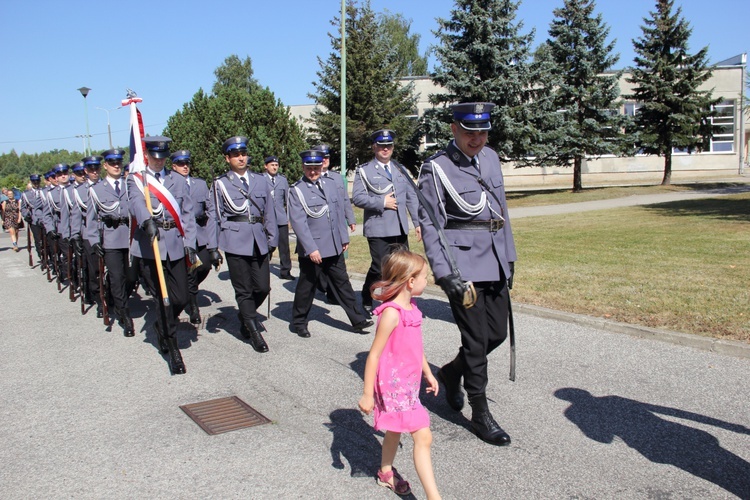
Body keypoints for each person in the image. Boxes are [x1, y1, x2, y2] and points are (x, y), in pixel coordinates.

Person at [417, 102, 516, 446]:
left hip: (494, 261)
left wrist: (510, 257)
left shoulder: (491, 158)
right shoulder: (436, 169)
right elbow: (430, 224)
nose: (478, 138)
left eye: (483, 131)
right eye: (470, 131)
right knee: (476, 343)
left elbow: (501, 212)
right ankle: (480, 413)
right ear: (454, 128)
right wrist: (445, 274)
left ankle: (451, 372)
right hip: (463, 268)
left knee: (496, 335)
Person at [358, 248, 441, 500]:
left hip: (409, 383)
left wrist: (428, 372)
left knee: (394, 429)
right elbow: (374, 355)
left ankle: (385, 472)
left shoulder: (412, 309)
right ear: (411, 281)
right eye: (425, 277)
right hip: (393, 386)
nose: (429, 281)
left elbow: (416, 347)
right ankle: (434, 497)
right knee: (423, 436)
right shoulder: (392, 314)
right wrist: (366, 394)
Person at [128, 136, 197, 374]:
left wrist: (190, 243)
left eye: (163, 158)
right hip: (151, 246)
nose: (159, 162)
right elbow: (136, 202)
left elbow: (187, 213)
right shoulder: (137, 179)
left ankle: (161, 323)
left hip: (176, 244)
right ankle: (172, 345)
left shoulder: (176, 180)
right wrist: (147, 221)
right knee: (163, 297)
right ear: (147, 156)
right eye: (155, 158)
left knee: (181, 297)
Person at [288, 149, 373, 338]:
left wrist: (343, 238)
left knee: (343, 283)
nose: (313, 172)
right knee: (307, 287)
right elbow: (299, 224)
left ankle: (357, 319)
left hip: (334, 245)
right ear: (303, 167)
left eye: (316, 168)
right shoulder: (297, 191)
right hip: (314, 250)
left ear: (321, 166)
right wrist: (311, 249)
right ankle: (299, 321)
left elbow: (338, 212)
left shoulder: (330, 184)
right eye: (309, 168)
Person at [213, 136, 277, 353]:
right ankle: (253, 330)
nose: (240, 158)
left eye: (243, 154)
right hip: (234, 239)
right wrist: (214, 247)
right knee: (243, 289)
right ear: (227, 158)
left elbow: (269, 212)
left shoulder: (261, 180)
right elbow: (216, 215)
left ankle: (244, 315)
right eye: (235, 155)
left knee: (262, 287)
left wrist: (272, 238)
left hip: (258, 238)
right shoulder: (220, 183)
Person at [352, 129, 420, 314]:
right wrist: (382, 202)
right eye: (381, 146)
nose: (385, 149)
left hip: (399, 227)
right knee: (378, 268)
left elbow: (411, 197)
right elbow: (357, 198)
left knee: (401, 267)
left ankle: (395, 300)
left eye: (388, 145)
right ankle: (367, 296)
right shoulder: (364, 170)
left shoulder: (400, 169)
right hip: (378, 227)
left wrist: (417, 222)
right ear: (374, 147)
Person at [86, 149, 136, 336]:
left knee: (131, 277)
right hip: (110, 239)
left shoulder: (130, 186)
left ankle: (117, 298)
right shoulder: (96, 190)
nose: (116, 166)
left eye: (119, 162)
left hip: (130, 238)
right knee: (117, 277)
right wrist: (94, 240)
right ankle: (124, 314)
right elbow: (90, 220)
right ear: (105, 166)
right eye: (112, 163)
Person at [169, 149, 221, 324]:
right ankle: (193, 307)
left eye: (187, 163)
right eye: (181, 164)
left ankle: (187, 290)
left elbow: (209, 207)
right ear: (173, 166)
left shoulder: (199, 184)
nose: (185, 167)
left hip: (200, 231)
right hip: (180, 234)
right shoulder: (169, 184)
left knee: (204, 266)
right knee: (190, 272)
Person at [313, 144, 355, 304]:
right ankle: (321, 284)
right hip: (320, 226)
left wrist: (350, 219)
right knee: (322, 262)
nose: (324, 160)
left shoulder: (337, 177)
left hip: (336, 226)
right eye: (321, 157)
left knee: (336, 260)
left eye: (327, 157)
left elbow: (345, 200)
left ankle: (332, 293)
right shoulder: (313, 176)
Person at [263, 155, 294, 280]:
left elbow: (288, 200)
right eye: (272, 165)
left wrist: (288, 218)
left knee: (284, 247)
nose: (275, 167)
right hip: (266, 220)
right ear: (266, 166)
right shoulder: (260, 179)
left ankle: (285, 271)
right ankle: (263, 269)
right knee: (267, 245)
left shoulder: (283, 180)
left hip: (281, 219)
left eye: (276, 165)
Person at [21, 174, 46, 265]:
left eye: (37, 181)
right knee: (38, 240)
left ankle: (49, 256)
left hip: (45, 219)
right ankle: (42, 256)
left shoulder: (44, 191)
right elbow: (23, 207)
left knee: (47, 240)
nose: (36, 183)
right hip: (34, 220)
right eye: (34, 182)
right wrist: (26, 215)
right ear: (31, 182)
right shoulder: (26, 194)